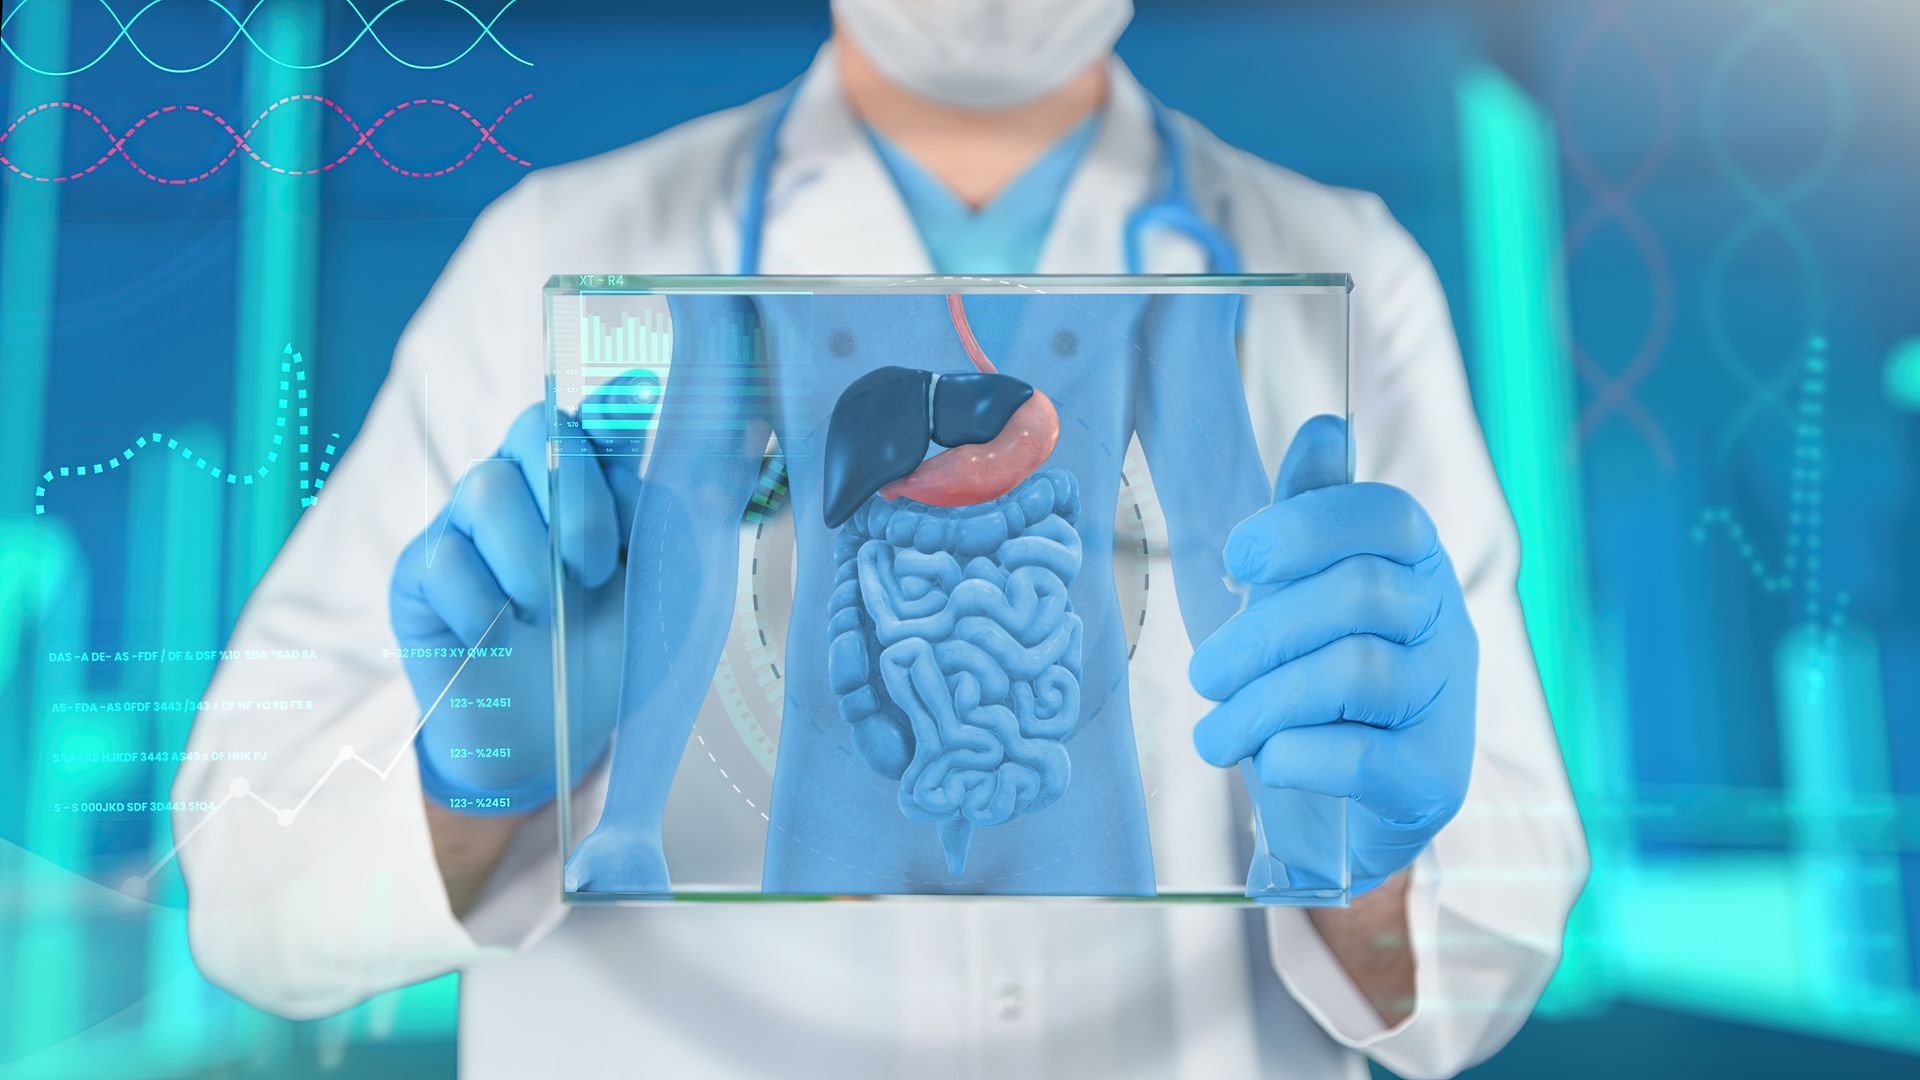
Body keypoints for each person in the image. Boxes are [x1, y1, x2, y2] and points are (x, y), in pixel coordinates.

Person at [173, 1, 1589, 1075]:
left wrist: (1374, 875)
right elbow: (243, 880)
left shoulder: (1342, 275)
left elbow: (1489, 940)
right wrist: (474, 786)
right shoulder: (556, 251)